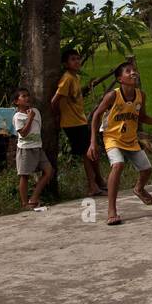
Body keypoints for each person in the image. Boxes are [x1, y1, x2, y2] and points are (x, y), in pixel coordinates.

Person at [87, 62, 152, 225]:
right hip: (112, 137)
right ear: (120, 79)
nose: (133, 73)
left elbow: (143, 117)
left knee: (147, 169)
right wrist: (93, 142)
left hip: (130, 138)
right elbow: (96, 116)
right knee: (118, 165)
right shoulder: (112, 96)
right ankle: (111, 210)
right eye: (128, 71)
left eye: (134, 70)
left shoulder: (140, 95)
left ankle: (139, 189)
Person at [53, 48, 106, 196]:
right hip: (72, 123)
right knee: (87, 153)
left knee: (91, 151)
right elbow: (55, 101)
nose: (77, 62)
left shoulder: (75, 77)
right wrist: (57, 117)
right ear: (65, 63)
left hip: (79, 120)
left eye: (78, 58)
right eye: (73, 59)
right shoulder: (67, 79)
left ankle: (99, 181)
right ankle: (92, 185)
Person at [12, 88, 53, 209]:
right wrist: (29, 118)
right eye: (23, 96)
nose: (27, 98)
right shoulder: (18, 117)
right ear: (16, 101)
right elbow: (23, 133)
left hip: (38, 147)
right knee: (24, 175)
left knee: (48, 171)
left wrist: (31, 115)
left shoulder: (35, 111)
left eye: (28, 96)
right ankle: (24, 203)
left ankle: (34, 198)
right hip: (26, 149)